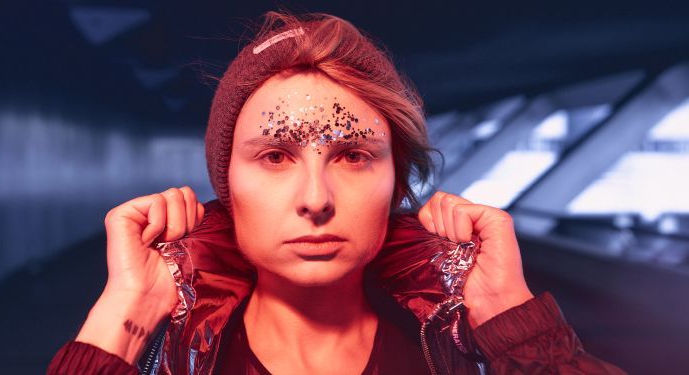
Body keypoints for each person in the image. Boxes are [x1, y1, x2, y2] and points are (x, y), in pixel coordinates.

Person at [48, 11, 625, 375]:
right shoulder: (172, 356)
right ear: (227, 186)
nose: (315, 197)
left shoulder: (457, 351)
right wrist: (125, 313)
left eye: (353, 156)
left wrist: (510, 321)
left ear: (396, 182)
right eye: (275, 157)